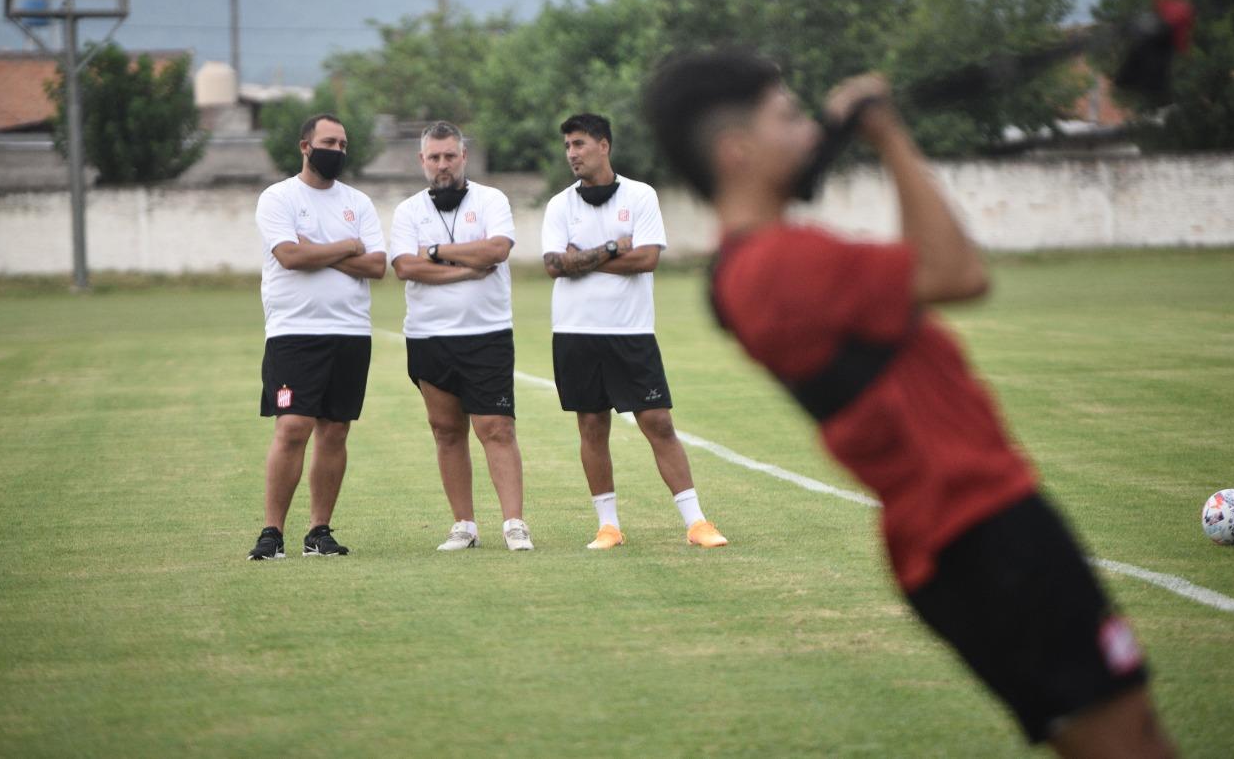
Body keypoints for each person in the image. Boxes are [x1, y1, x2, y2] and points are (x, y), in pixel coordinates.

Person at [643, 50, 1175, 758]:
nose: (808, 130)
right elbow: (957, 271)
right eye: (790, 117)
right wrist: (888, 136)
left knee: (1124, 738)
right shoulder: (782, 264)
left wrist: (847, 133)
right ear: (737, 151)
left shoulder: (750, 268)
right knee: (1126, 744)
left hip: (956, 538)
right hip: (986, 528)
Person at [541, 113, 728, 551]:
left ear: (604, 145)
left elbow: (646, 259)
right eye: (568, 145)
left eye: (580, 144)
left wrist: (581, 259)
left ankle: (697, 522)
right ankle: (608, 526)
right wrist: (610, 247)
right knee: (591, 425)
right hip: (574, 332)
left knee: (658, 422)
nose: (572, 153)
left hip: (630, 332)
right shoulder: (559, 205)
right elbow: (553, 266)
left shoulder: (640, 195)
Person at [247, 113, 387, 560]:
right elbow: (289, 255)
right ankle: (272, 533)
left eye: (344, 144)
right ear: (305, 146)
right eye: (330, 142)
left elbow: (377, 266)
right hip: (294, 332)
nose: (338, 151)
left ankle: (318, 531)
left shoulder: (358, 203)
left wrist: (320, 251)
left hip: (349, 332)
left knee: (335, 431)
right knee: (292, 428)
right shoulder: (278, 197)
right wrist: (348, 246)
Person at [389, 121, 533, 552]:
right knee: (446, 430)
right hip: (428, 336)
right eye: (434, 157)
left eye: (450, 155)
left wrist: (435, 252)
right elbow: (403, 267)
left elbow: (497, 250)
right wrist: (467, 269)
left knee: (496, 427)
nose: (442, 164)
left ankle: (514, 524)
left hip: (486, 334)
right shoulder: (409, 210)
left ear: (463, 156)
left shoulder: (492, 199)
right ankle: (464, 526)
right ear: (422, 161)